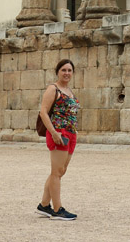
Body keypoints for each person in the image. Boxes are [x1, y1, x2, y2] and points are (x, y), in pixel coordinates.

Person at [37, 59, 80, 221]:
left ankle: (44, 205)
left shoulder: (68, 90)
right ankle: (57, 209)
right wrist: (54, 132)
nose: (67, 73)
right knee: (56, 172)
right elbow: (43, 112)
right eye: (64, 70)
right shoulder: (52, 89)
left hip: (70, 133)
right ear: (58, 72)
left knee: (61, 171)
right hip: (59, 133)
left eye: (69, 70)